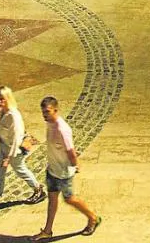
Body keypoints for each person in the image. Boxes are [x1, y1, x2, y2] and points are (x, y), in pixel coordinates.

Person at [33, 97, 101, 240]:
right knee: (52, 200)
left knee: (70, 199)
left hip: (63, 172)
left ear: (55, 110)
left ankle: (93, 217)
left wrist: (76, 164)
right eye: (43, 112)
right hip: (52, 169)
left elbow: (70, 150)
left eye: (47, 112)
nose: (44, 115)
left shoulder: (62, 129)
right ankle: (47, 230)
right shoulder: (50, 123)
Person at [0, 86, 46, 211]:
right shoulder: (4, 111)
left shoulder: (14, 115)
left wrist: (8, 157)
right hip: (2, 147)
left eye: (2, 99)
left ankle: (38, 189)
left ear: (8, 98)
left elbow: (16, 140)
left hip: (14, 151)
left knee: (20, 170)